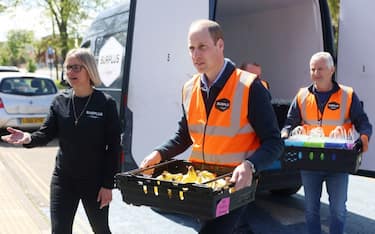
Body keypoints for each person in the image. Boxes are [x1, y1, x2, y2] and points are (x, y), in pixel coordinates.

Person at [140, 19, 283, 234]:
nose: (196, 55)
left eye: (202, 47)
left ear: (220, 45)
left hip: (235, 188)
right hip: (202, 188)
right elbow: (183, 136)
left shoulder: (249, 86)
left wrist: (250, 165)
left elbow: (274, 142)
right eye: (191, 48)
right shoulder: (189, 88)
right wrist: (158, 154)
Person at [1, 48, 121, 234]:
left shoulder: (105, 103)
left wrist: (108, 185)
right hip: (63, 180)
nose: (71, 72)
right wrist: (28, 138)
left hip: (95, 181)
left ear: (89, 69)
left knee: (101, 230)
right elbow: (46, 134)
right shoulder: (59, 101)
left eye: (76, 68)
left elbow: (114, 147)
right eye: (68, 68)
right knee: (59, 231)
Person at [281, 51, 372, 234]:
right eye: (312, 69)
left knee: (338, 211)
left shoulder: (347, 95)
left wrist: (362, 140)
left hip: (337, 161)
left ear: (332, 70)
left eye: (320, 69)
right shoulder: (301, 96)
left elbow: (364, 123)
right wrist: (285, 134)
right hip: (310, 160)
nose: (316, 73)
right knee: (310, 210)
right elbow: (290, 123)